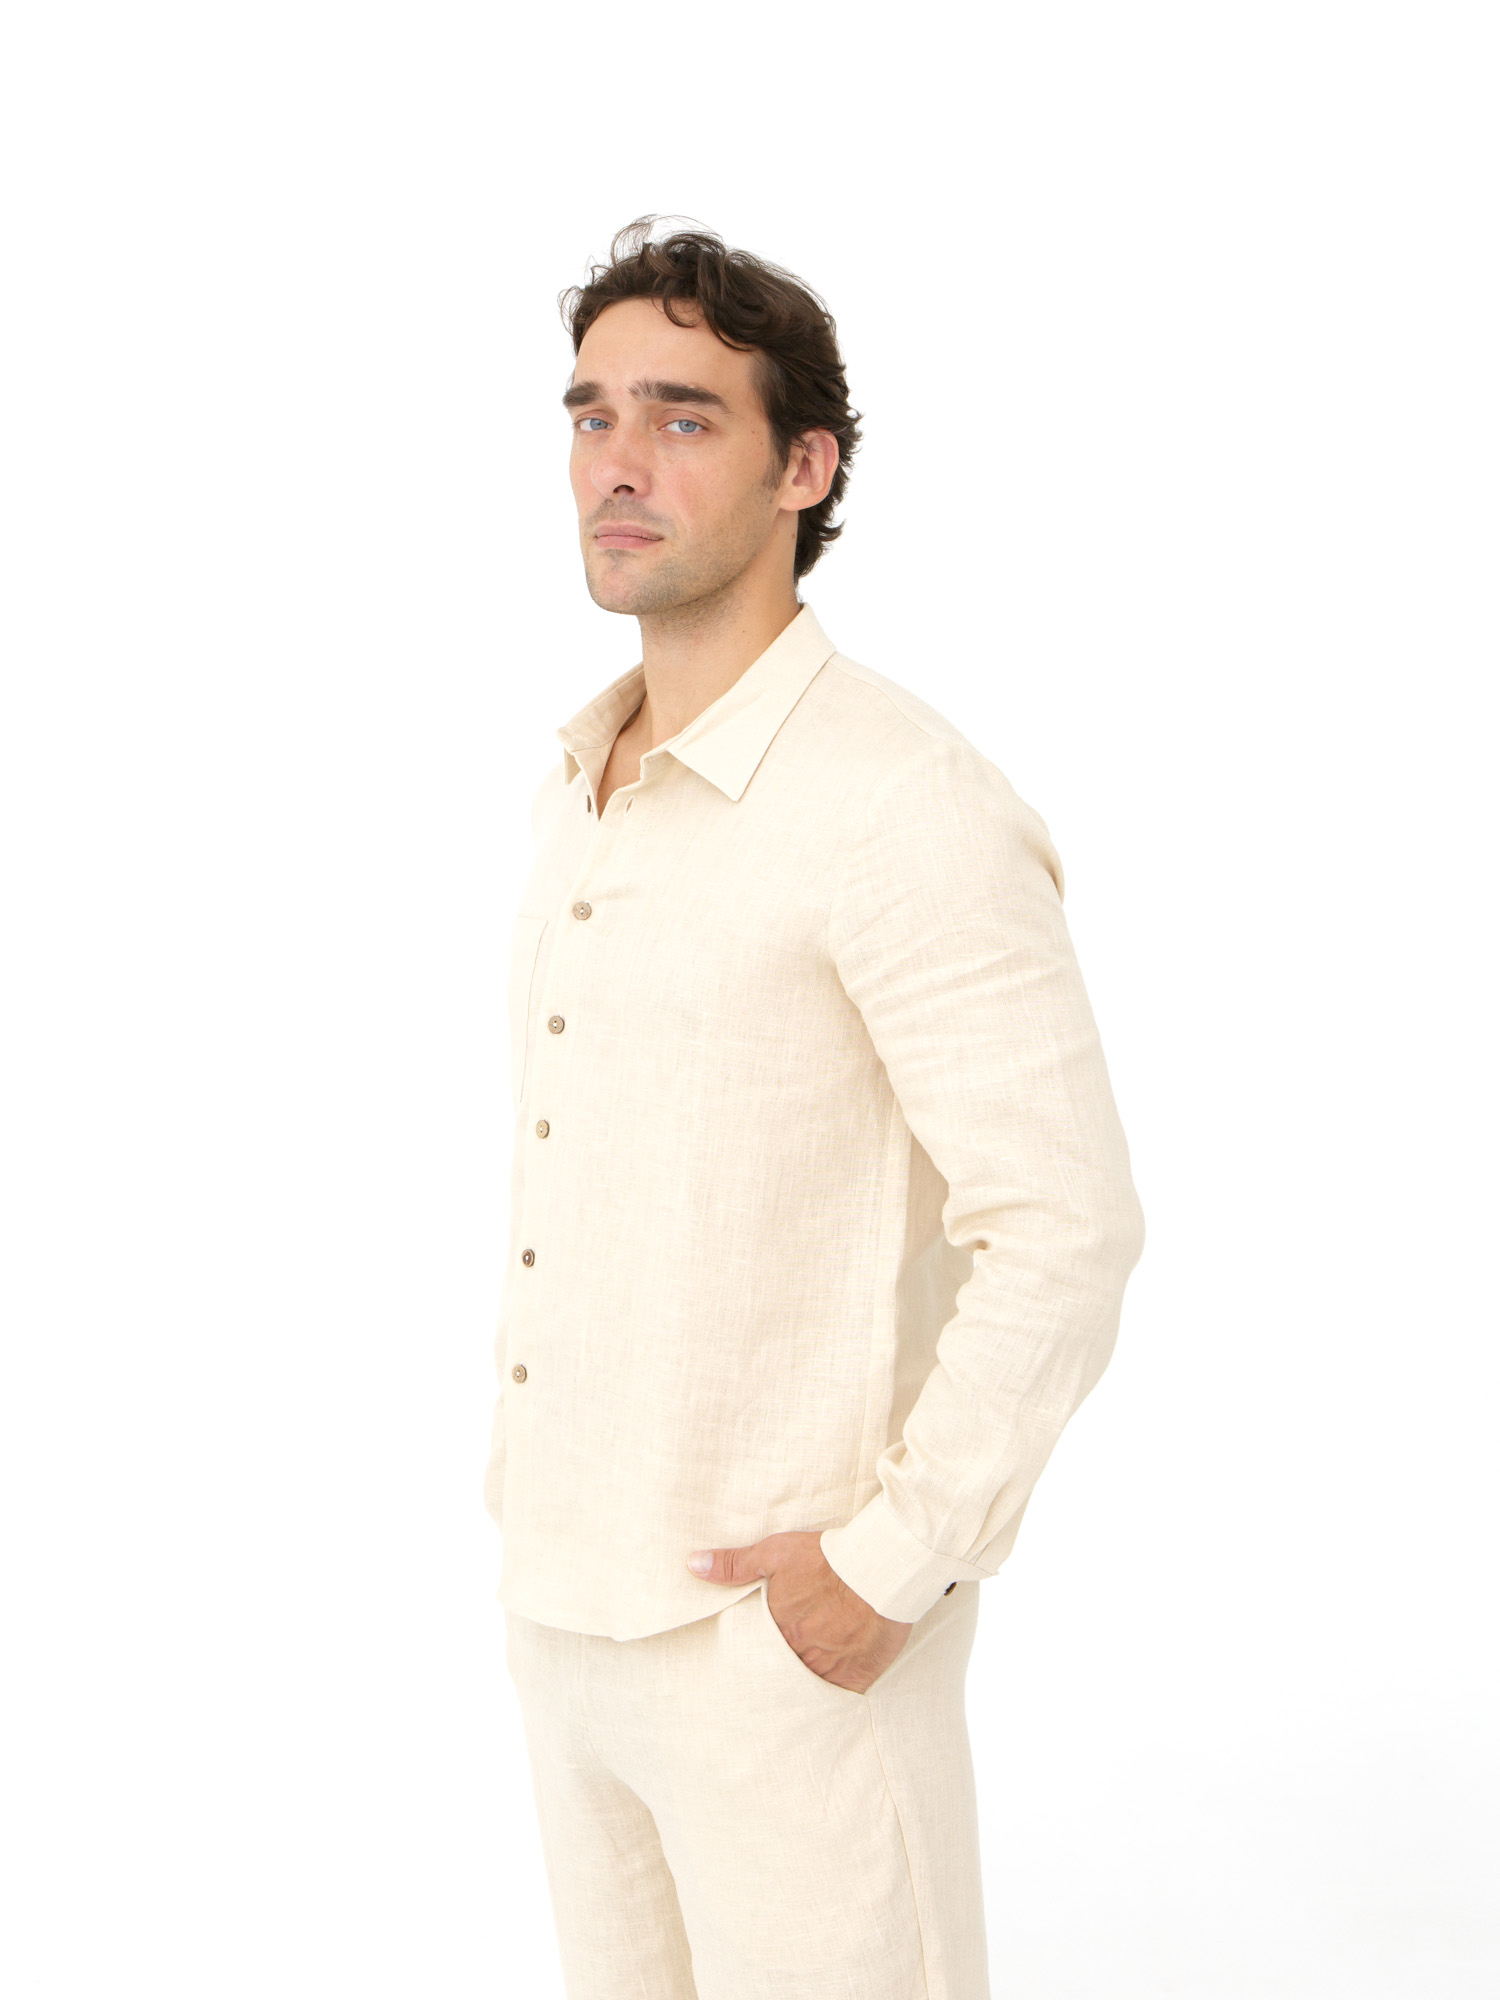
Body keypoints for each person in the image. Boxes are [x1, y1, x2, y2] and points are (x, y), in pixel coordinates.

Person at [483, 215, 1146, 2000]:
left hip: (780, 1646)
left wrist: (889, 1567)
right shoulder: (582, 779)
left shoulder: (900, 805)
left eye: (684, 416)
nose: (617, 462)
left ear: (806, 467)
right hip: (566, 1615)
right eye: (591, 413)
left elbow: (1066, 1225)